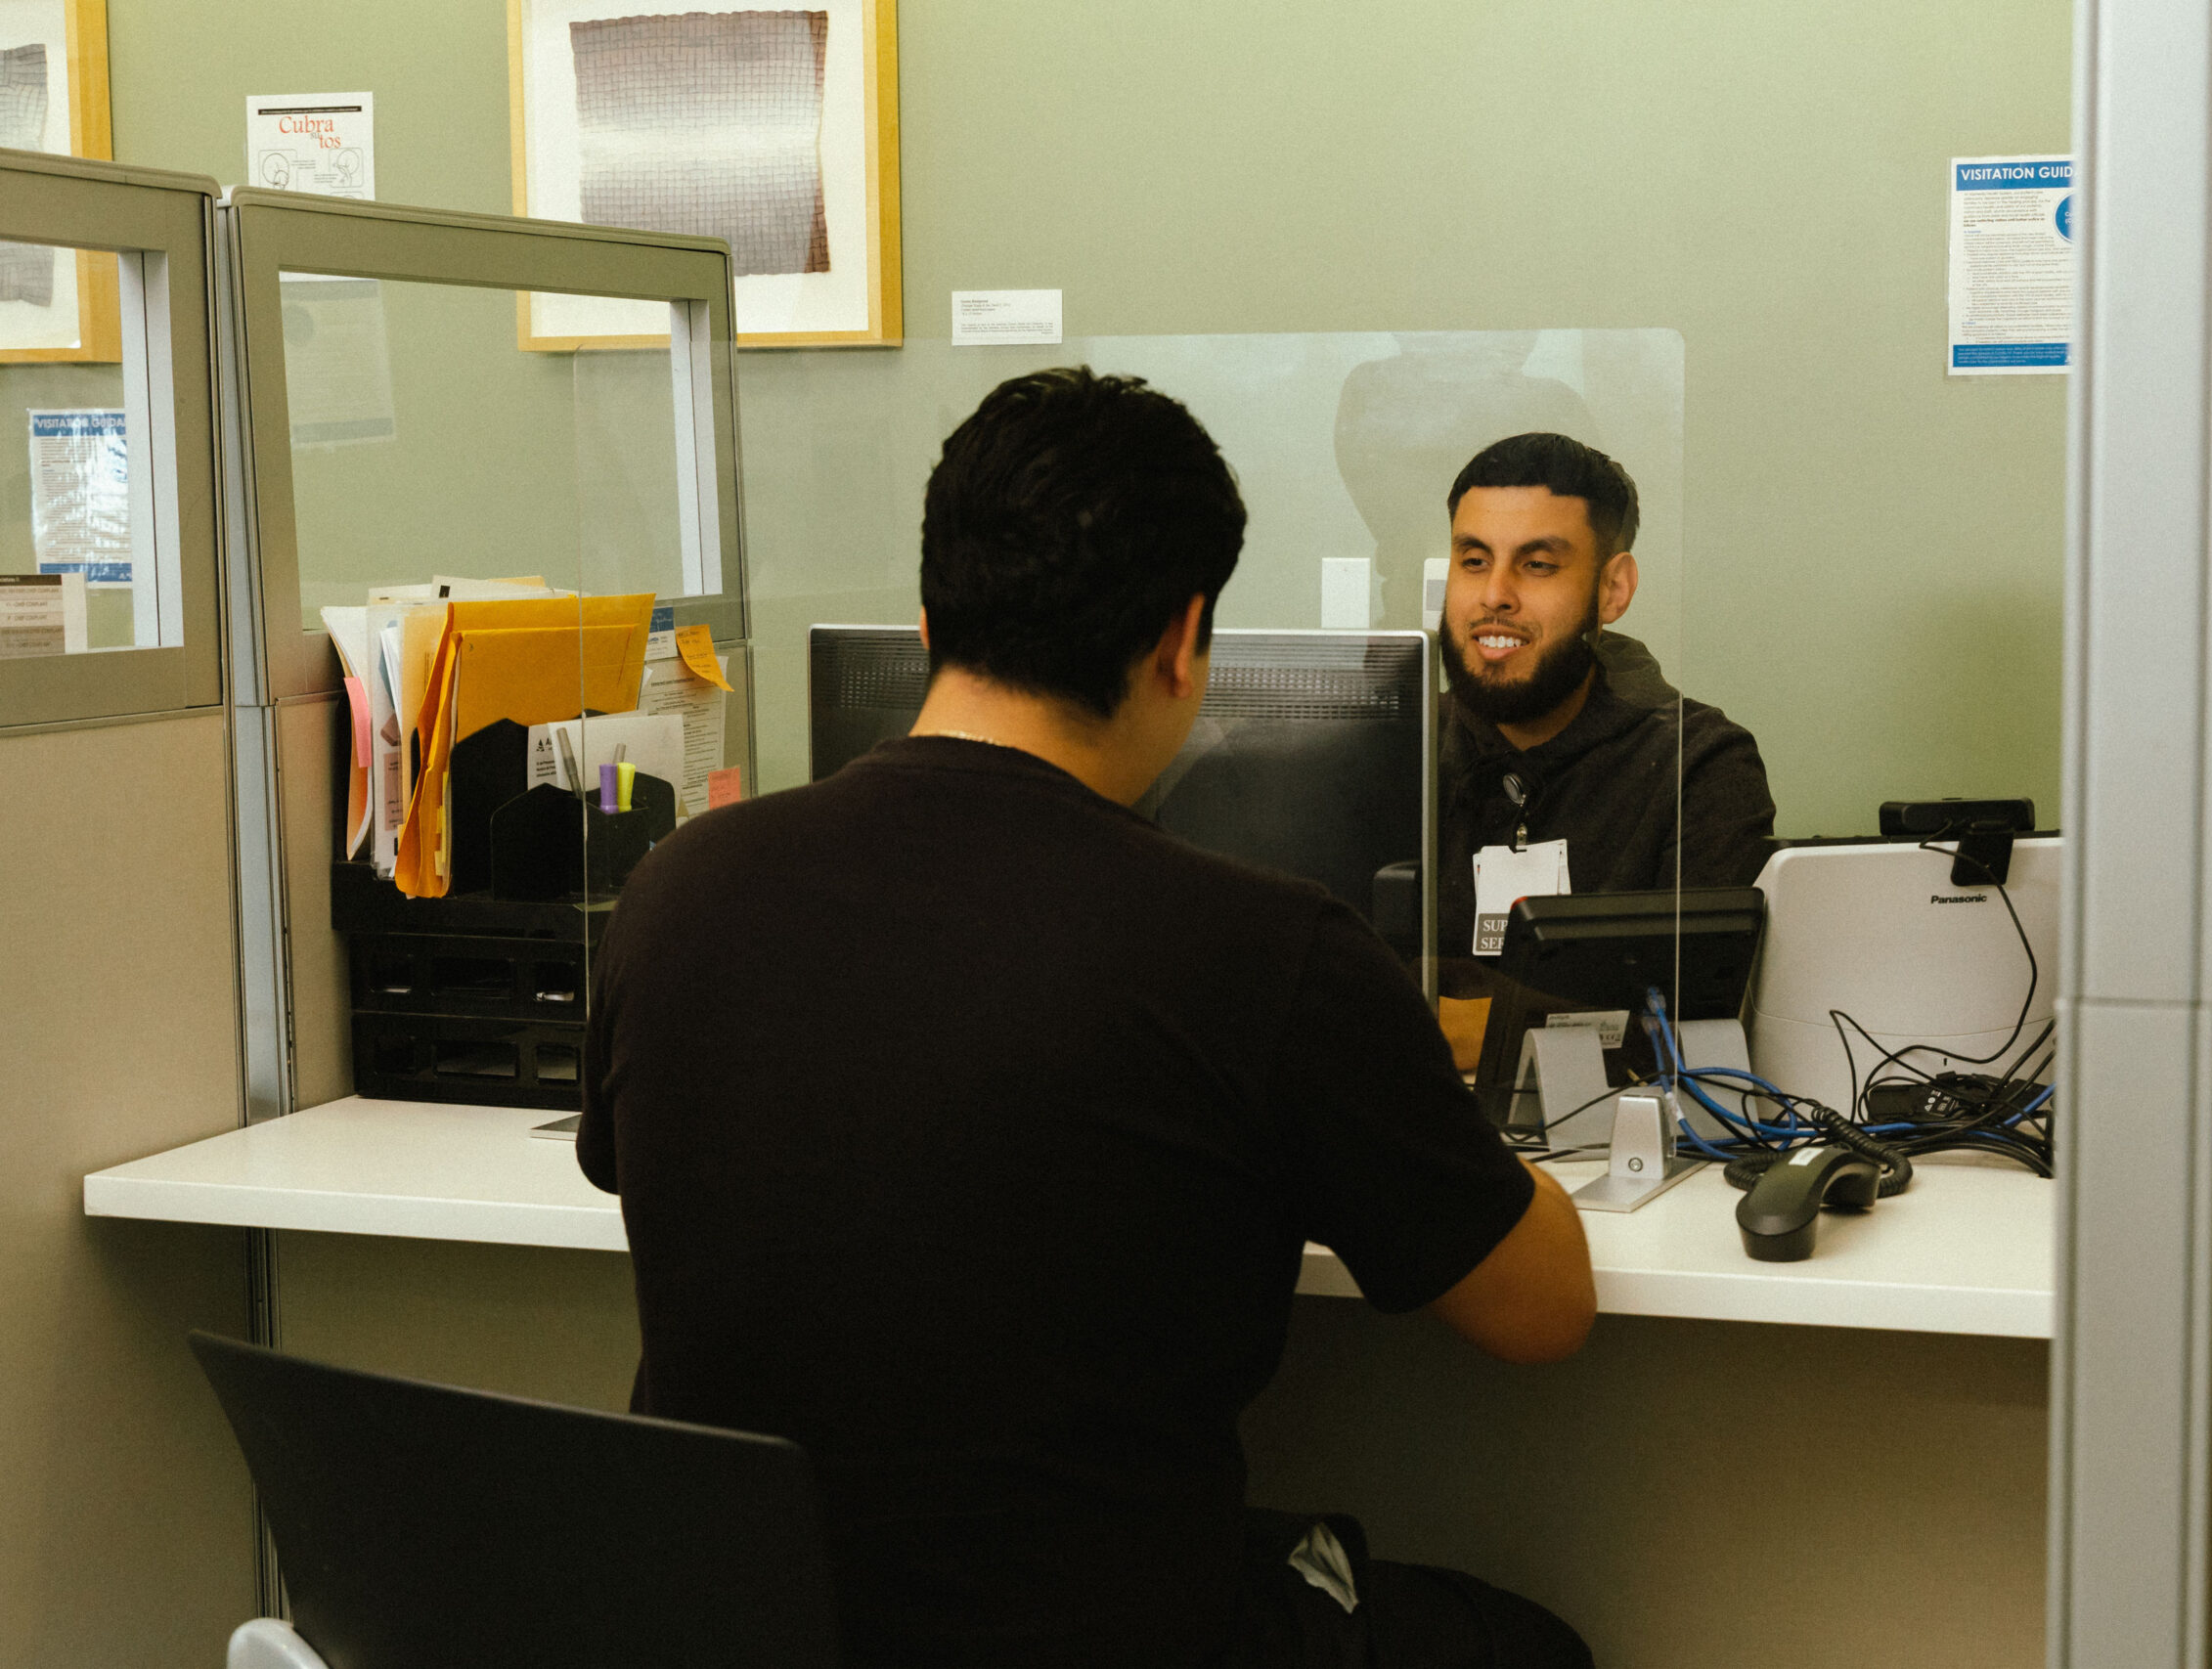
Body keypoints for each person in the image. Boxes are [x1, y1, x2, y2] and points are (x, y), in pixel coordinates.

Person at [579, 368, 1598, 1669]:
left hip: (746, 1627)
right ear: (1183, 640)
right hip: (1120, 1631)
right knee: (1527, 1647)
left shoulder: (680, 887)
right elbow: (1541, 1308)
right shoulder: (1266, 949)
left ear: (934, 610)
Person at [1433, 433, 1776, 1071]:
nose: (1495, 595)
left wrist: (1461, 1025)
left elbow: (1688, 1022)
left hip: (1623, 1142)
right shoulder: (1396, 752)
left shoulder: (1700, 765)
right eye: (1474, 560)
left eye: (1538, 564)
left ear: (1613, 589)